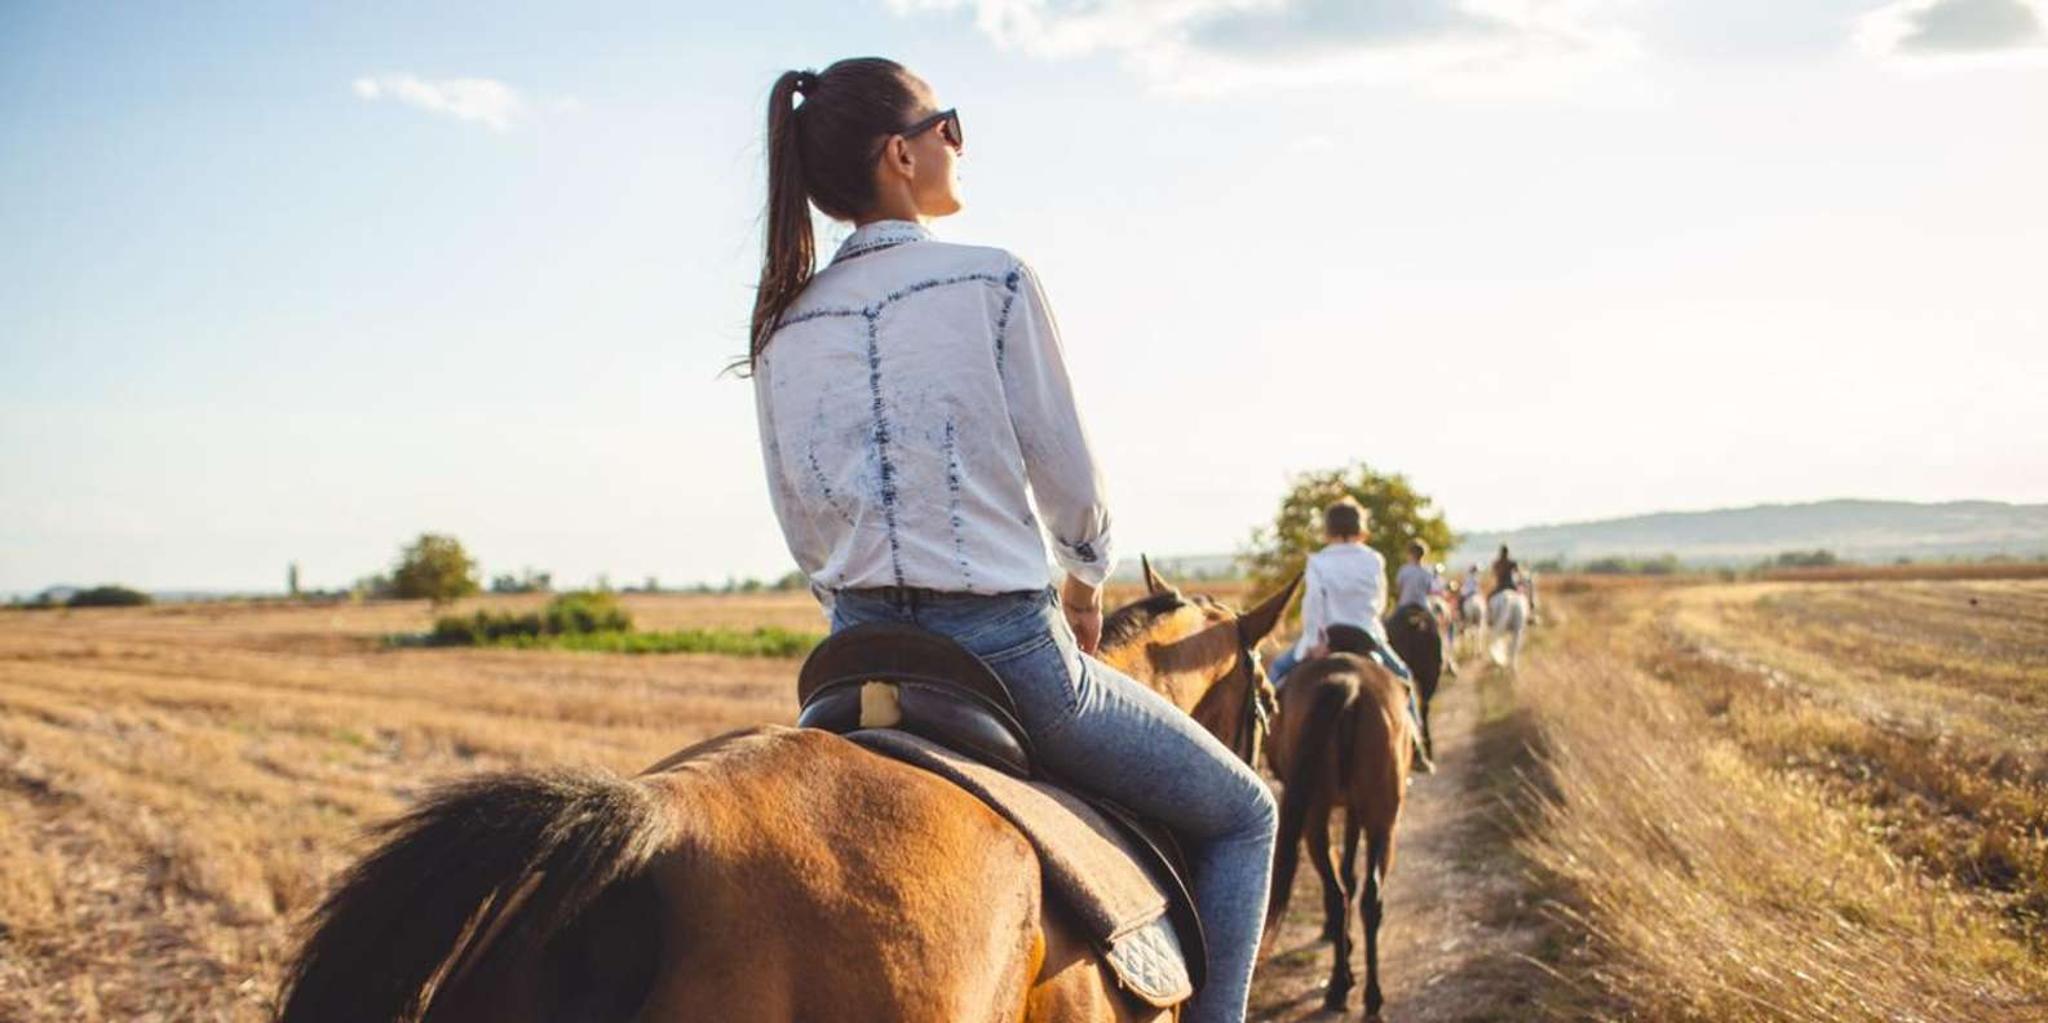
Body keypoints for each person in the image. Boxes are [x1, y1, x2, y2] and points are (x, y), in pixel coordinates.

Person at [745, 58, 1275, 1023]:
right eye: (949, 124)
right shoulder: (991, 279)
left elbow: (800, 519)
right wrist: (1084, 583)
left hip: (845, 664)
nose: (960, 142)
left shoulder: (781, 327)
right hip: (1007, 659)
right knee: (1248, 815)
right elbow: (1069, 480)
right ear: (901, 155)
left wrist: (861, 604)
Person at [1265, 500, 1431, 769]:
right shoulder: (1375, 560)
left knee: (1274, 676)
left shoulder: (1317, 561)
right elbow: (1378, 602)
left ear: (1328, 530)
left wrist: (1314, 643)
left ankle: (1263, 742)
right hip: (1366, 637)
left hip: (1326, 639)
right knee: (1403, 677)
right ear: (1360, 528)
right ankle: (1417, 746)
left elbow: (1314, 605)